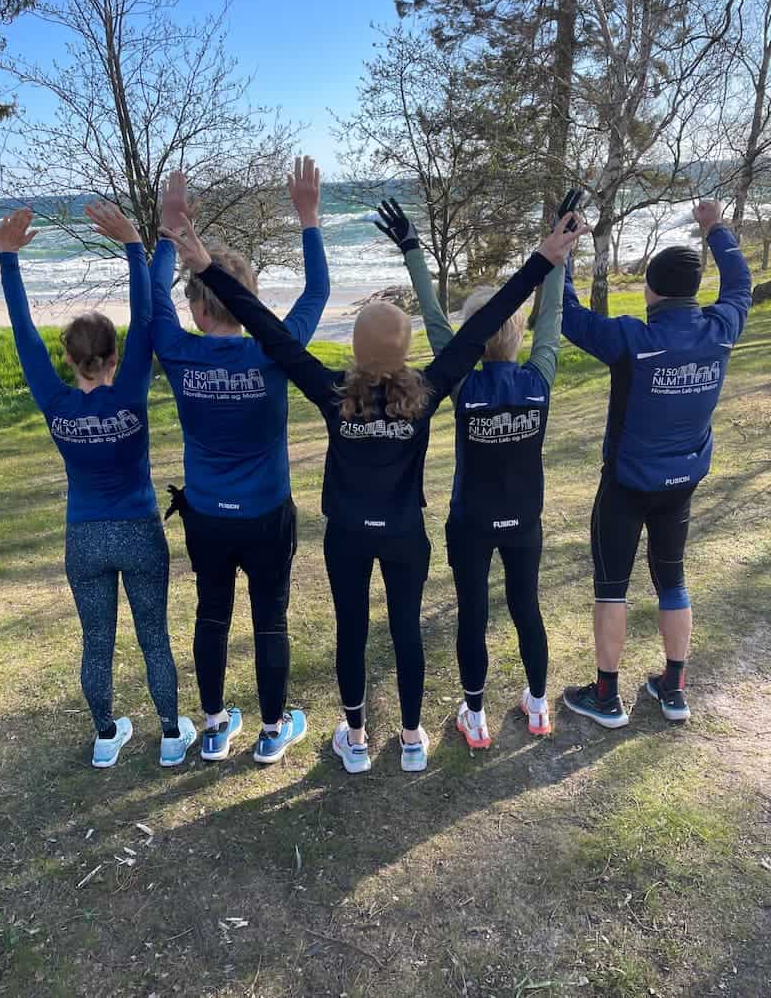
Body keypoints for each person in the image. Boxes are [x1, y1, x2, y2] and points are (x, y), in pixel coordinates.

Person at [161, 207, 588, 774]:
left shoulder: (334, 391)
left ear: (358, 351)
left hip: (348, 538)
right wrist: (543, 263)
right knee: (406, 632)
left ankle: (356, 738)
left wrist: (210, 270)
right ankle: (412, 740)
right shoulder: (430, 387)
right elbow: (485, 328)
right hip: (405, 536)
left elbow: (266, 328)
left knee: (353, 632)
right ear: (407, 350)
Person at [0, 203, 195, 768]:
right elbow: (147, 314)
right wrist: (137, 246)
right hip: (136, 530)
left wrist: (8, 260)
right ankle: (168, 734)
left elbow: (21, 332)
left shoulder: (55, 401)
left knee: (97, 643)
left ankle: (107, 735)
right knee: (154, 638)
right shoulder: (131, 387)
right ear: (113, 356)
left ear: (69, 358)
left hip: (83, 539)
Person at [375, 195, 577, 746]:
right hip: (523, 521)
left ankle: (476, 716)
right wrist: (560, 250)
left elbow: (438, 322)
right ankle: (538, 707)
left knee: (473, 613)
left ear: (472, 341)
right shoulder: (539, 377)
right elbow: (552, 319)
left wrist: (414, 251)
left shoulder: (461, 381)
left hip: (471, 521)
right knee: (524, 607)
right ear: (518, 333)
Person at [150, 158, 329, 764]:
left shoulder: (177, 351)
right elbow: (319, 292)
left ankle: (216, 725)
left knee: (212, 615)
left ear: (199, 309)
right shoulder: (273, 349)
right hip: (265, 513)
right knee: (270, 618)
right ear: (248, 301)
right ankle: (274, 729)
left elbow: (153, 303)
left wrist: (167, 236)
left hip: (206, 514)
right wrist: (308, 218)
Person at [560, 199, 751, 728]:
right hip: (682, 482)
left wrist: (564, 253)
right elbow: (738, 282)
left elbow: (568, 316)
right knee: (672, 579)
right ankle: (673, 688)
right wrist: (715, 227)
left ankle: (606, 696)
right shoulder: (722, 329)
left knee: (611, 587)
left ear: (652, 290)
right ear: (691, 291)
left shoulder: (632, 338)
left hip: (626, 483)